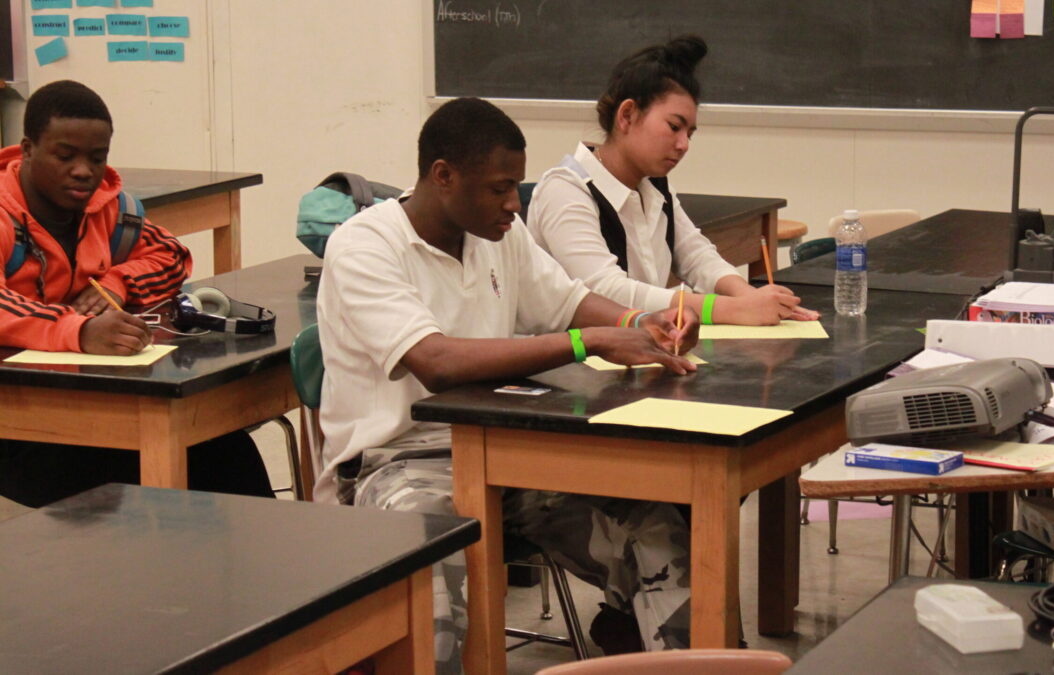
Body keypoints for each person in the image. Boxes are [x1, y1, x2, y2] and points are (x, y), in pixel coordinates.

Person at [315, 97, 701, 673]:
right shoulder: (364, 246)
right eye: (498, 188)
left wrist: (634, 323)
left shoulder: (501, 234)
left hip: (506, 458)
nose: (512, 203)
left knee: (654, 526)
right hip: (395, 464)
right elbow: (435, 361)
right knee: (434, 570)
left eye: (516, 186)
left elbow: (566, 302)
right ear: (443, 176)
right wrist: (590, 341)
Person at [0, 80, 274, 507]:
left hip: (90, 399)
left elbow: (172, 255)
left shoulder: (108, 208)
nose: (83, 171)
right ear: (28, 148)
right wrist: (79, 330)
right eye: (65, 155)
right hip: (16, 416)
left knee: (221, 447)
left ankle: (264, 564)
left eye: (97, 157)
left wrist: (117, 281)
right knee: (110, 483)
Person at [527, 35, 819, 326]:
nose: (683, 145)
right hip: (571, 363)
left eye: (689, 134)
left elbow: (696, 254)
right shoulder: (566, 189)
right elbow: (605, 292)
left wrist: (749, 297)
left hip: (638, 352)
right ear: (627, 115)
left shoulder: (652, 185)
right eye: (674, 127)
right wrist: (731, 310)